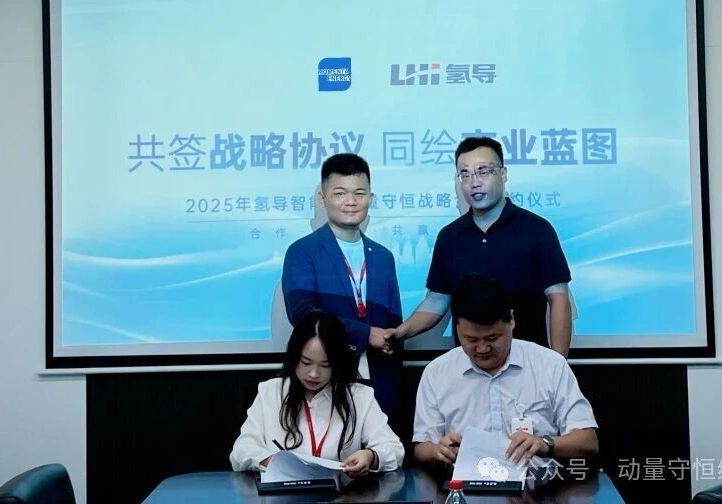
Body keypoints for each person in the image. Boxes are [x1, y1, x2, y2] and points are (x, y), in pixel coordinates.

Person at [385, 136, 573, 356]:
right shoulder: (449, 237)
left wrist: (559, 364)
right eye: (465, 174)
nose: (474, 182)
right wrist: (401, 331)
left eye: (483, 172)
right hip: (470, 365)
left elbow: (558, 298)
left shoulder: (537, 229)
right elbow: (436, 301)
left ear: (503, 174)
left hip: (529, 364)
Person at [413, 274, 597, 469]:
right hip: (465, 483)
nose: (482, 348)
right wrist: (437, 451)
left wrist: (545, 443)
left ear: (511, 320)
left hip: (541, 483)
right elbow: (421, 448)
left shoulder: (550, 365)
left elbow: (588, 441)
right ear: (457, 328)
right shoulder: (437, 372)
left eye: (492, 338)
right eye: (471, 339)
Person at [282, 153, 403, 416]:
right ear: (322, 199)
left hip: (380, 383)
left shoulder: (383, 256)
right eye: (340, 193)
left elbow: (393, 322)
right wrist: (366, 334)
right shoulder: (302, 252)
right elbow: (303, 314)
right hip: (323, 379)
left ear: (371, 198)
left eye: (359, 193)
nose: (350, 201)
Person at [230, 310, 404, 475]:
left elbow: (394, 449)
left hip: (341, 492)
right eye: (306, 363)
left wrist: (371, 456)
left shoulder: (359, 396)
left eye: (325, 365)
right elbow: (241, 450)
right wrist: (274, 463)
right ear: (294, 357)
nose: (314, 374)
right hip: (282, 491)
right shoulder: (271, 391)